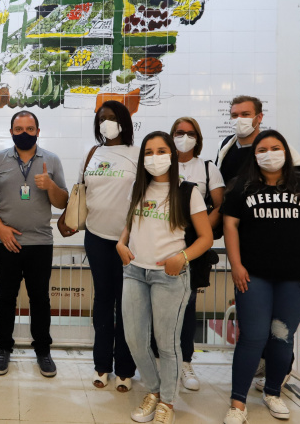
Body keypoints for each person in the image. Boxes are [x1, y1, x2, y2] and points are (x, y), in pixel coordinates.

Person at [220, 130, 300, 424]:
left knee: (282, 337)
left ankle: (273, 392)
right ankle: (238, 402)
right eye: (262, 149)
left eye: (275, 148)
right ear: (253, 155)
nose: (268, 153)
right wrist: (236, 264)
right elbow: (230, 227)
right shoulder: (241, 187)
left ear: (286, 151)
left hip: (297, 277)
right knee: (253, 337)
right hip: (253, 275)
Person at [116, 131, 213, 424]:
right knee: (134, 338)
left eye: (161, 151)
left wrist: (181, 258)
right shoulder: (137, 187)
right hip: (134, 271)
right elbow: (129, 224)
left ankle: (167, 402)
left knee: (167, 342)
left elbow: (206, 237)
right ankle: (154, 391)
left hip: (169, 276)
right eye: (148, 152)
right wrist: (121, 243)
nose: (154, 157)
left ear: (171, 155)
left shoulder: (188, 191)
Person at [58, 100, 138, 392]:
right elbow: (80, 191)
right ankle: (102, 366)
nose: (106, 122)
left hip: (129, 243)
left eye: (112, 117)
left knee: (128, 305)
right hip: (96, 238)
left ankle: (126, 369)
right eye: (102, 118)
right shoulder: (92, 153)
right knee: (103, 302)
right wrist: (67, 218)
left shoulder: (138, 153)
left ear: (124, 122)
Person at [0, 110, 68, 378]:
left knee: (40, 299)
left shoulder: (52, 160)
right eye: (18, 129)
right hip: (6, 242)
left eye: (29, 129)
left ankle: (43, 351)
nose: (24, 133)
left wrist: (50, 185)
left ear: (38, 131)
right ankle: (3, 350)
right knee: (6, 298)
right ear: (11, 132)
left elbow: (62, 202)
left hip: (40, 242)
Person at [169, 116, 225, 392]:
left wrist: (203, 229)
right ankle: (162, 361)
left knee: (187, 305)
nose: (184, 137)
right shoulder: (161, 163)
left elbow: (219, 205)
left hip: (193, 246)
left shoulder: (206, 168)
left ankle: (185, 362)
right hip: (162, 243)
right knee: (159, 306)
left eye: (190, 133)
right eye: (179, 132)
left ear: (198, 138)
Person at [215, 95, 300, 182]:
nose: (239, 120)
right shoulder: (225, 146)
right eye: (234, 115)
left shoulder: (275, 147)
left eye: (245, 114)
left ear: (259, 117)